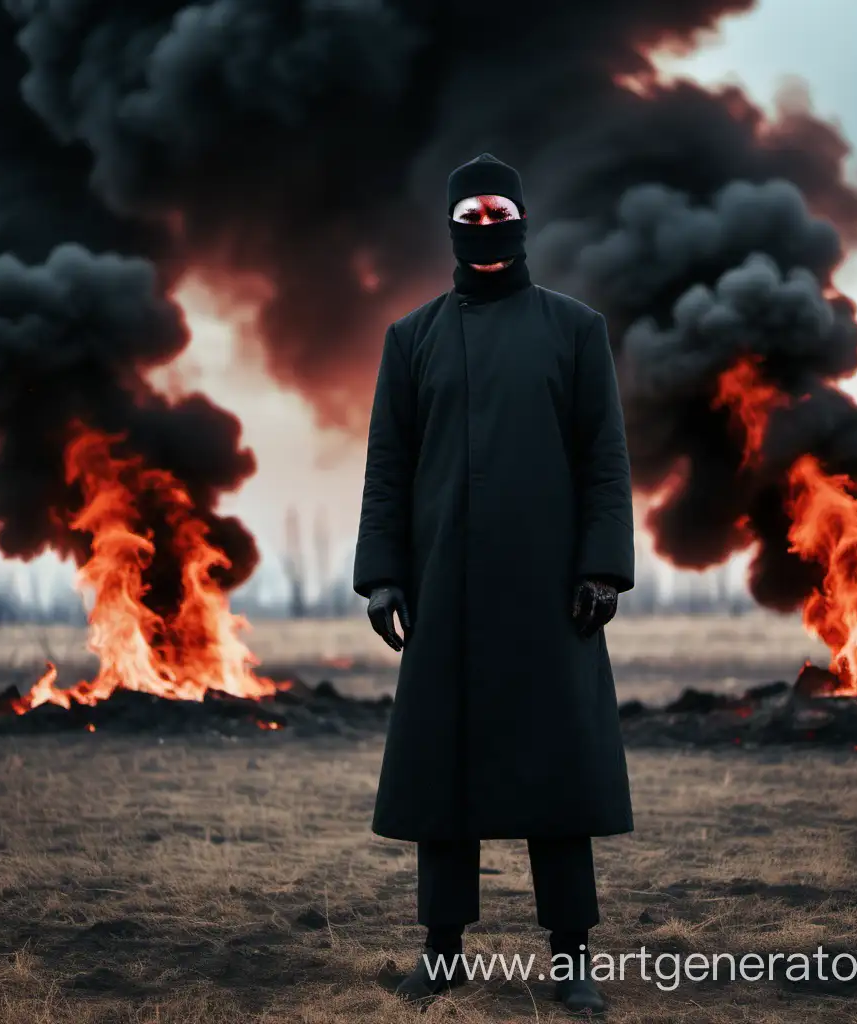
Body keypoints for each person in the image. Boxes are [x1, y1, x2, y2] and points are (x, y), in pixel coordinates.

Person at [353, 152, 634, 1015]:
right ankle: (441, 954)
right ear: (451, 226)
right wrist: (384, 578)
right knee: (445, 786)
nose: (485, 230)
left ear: (522, 220)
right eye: (469, 217)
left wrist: (601, 568)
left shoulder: (575, 330)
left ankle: (573, 956)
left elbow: (604, 462)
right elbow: (389, 469)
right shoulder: (412, 339)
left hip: (550, 599)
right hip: (445, 594)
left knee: (559, 783)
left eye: (497, 213)